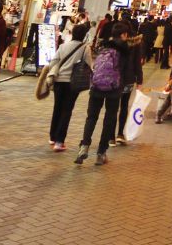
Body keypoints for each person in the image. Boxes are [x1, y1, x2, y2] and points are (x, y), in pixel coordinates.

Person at [75, 21, 132, 166]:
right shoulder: (124, 50)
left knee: (91, 117)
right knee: (109, 119)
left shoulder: (103, 46)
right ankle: (101, 153)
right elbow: (126, 71)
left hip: (97, 86)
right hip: (113, 89)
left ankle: (84, 146)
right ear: (124, 35)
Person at [45, 23, 90, 151]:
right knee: (67, 110)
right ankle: (59, 141)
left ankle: (52, 137)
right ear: (84, 35)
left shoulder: (63, 46)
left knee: (57, 108)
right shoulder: (85, 48)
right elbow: (88, 65)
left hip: (59, 81)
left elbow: (53, 62)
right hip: (73, 83)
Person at [114, 25, 144, 144]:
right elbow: (137, 63)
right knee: (124, 106)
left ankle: (111, 136)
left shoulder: (113, 43)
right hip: (128, 79)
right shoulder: (135, 44)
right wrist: (139, 80)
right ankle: (120, 134)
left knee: (113, 107)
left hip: (114, 78)